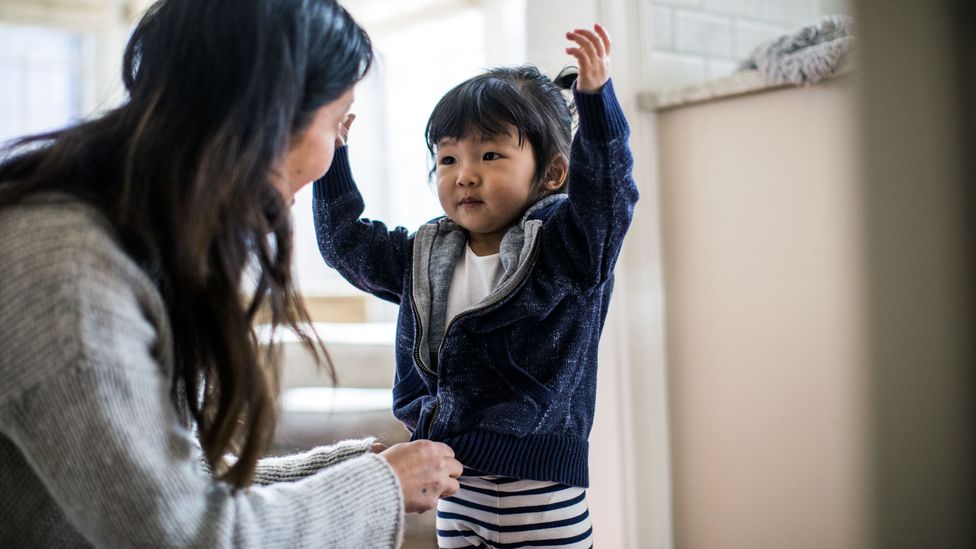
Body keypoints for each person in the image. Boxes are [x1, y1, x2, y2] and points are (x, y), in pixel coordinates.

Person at [0, 0, 462, 547]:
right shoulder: (68, 277)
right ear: (269, 114)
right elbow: (188, 534)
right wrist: (379, 486)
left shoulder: (131, 247)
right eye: (337, 123)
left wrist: (351, 470)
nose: (333, 153)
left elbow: (179, 487)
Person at [313, 23, 638, 547]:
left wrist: (598, 107)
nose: (464, 174)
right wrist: (332, 162)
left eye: (490, 156)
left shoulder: (567, 250)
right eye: (447, 159)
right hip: (455, 494)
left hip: (541, 497)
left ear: (554, 172)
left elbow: (606, 199)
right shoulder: (425, 254)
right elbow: (345, 244)